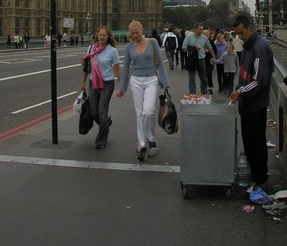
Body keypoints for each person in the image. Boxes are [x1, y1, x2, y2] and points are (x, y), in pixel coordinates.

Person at [230, 15, 274, 189]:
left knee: (256, 145)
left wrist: (240, 91)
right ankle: (255, 177)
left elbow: (259, 80)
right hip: (247, 106)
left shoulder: (259, 48)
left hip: (256, 105)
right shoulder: (249, 46)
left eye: (242, 32)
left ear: (250, 28)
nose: (240, 36)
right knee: (249, 143)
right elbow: (244, 75)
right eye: (237, 33)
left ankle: (260, 180)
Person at [117, 20, 170, 163]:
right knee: (139, 114)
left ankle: (151, 138)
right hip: (136, 81)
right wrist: (122, 88)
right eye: (132, 33)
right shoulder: (129, 47)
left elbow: (161, 62)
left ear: (142, 31)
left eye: (137, 32)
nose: (135, 35)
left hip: (151, 79)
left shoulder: (152, 43)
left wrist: (165, 82)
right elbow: (126, 67)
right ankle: (143, 144)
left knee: (148, 111)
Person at [81, 26, 121, 150]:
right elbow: (86, 68)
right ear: (97, 35)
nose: (102, 37)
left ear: (108, 37)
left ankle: (101, 140)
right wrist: (82, 82)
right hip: (93, 82)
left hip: (107, 83)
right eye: (100, 35)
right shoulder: (91, 49)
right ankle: (106, 124)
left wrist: (122, 86)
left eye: (104, 35)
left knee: (102, 112)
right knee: (94, 112)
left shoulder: (112, 51)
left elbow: (117, 68)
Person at [182, 22, 215, 95]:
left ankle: (204, 92)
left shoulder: (204, 37)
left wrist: (214, 57)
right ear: (195, 29)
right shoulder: (189, 37)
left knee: (203, 77)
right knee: (192, 78)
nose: (201, 31)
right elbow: (183, 48)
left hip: (201, 59)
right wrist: (193, 48)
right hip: (192, 59)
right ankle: (192, 93)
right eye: (200, 29)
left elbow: (210, 48)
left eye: (202, 29)